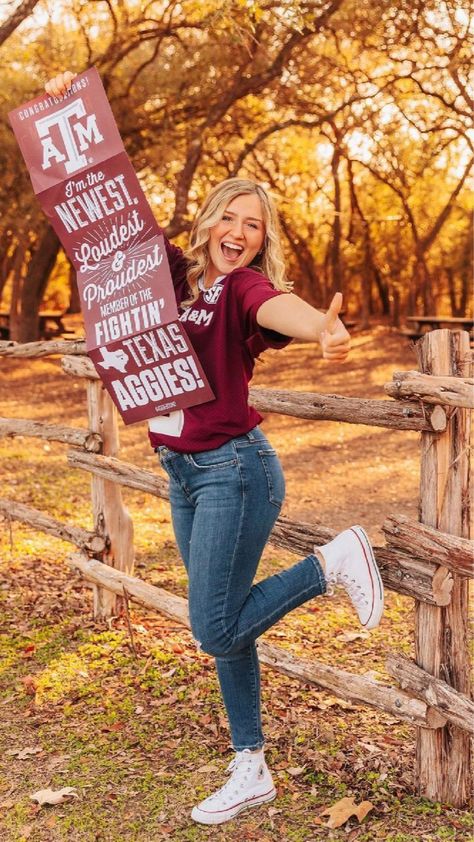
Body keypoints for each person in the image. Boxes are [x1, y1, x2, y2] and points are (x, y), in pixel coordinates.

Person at [46, 72, 384, 827]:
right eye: (231, 219)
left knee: (214, 626)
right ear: (206, 223)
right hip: (184, 472)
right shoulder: (173, 277)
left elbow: (279, 305)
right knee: (229, 624)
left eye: (255, 225)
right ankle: (251, 767)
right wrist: (71, 146)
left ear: (263, 242)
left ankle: (334, 562)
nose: (241, 232)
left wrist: (321, 328)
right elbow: (112, 234)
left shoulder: (241, 291)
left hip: (234, 467)